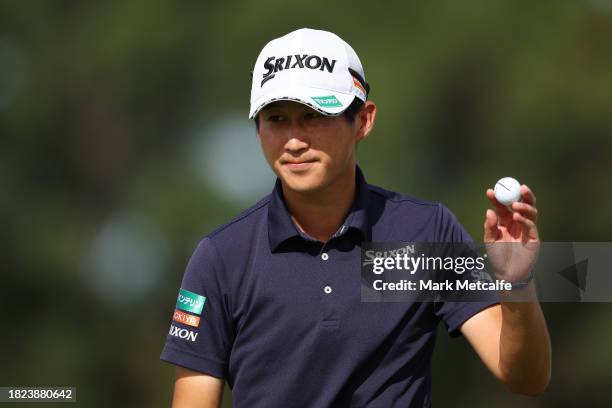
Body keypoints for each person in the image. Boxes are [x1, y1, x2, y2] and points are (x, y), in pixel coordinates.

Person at [160, 28, 551, 407]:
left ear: (363, 120)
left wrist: (517, 285)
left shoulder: (425, 231)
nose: (295, 141)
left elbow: (525, 378)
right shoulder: (221, 258)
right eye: (277, 119)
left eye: (314, 115)